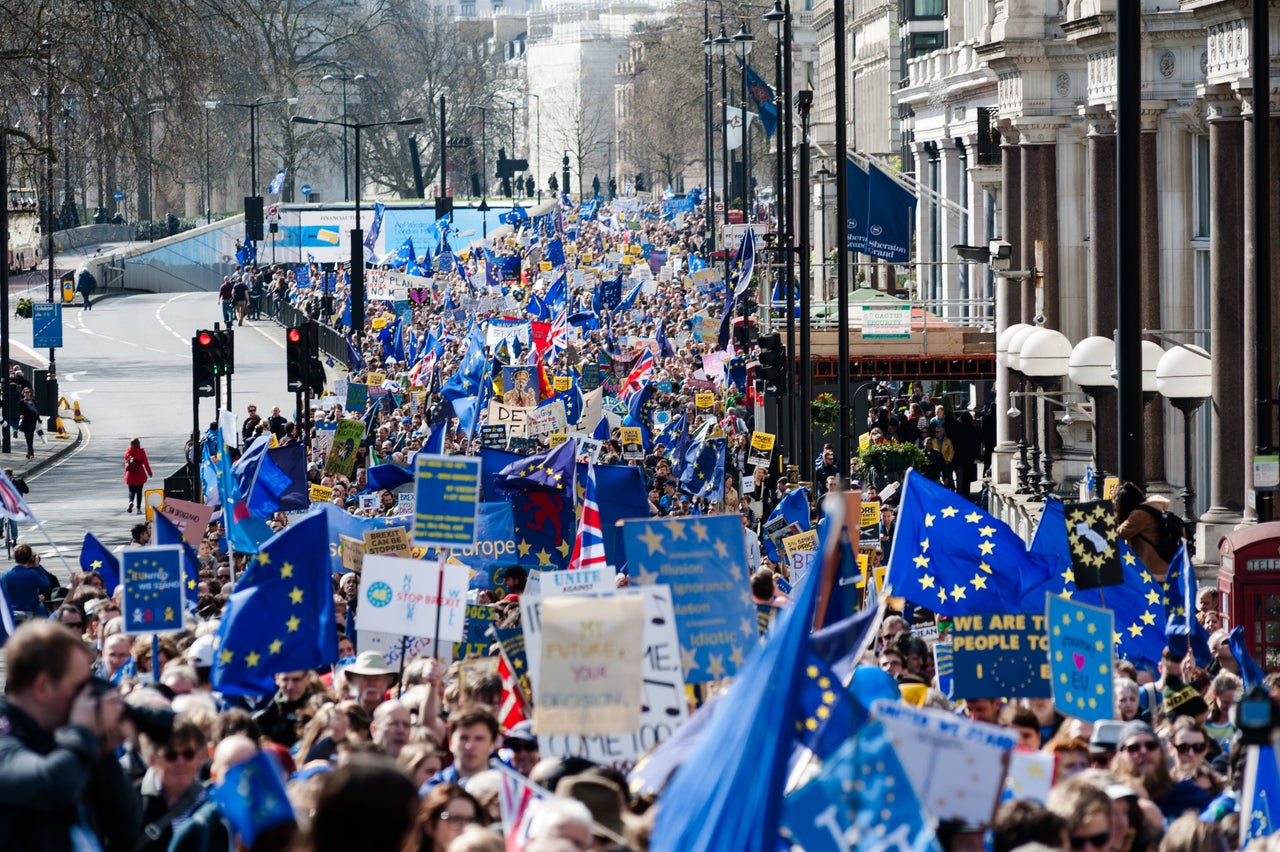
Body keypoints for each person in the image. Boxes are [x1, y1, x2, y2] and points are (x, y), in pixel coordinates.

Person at [0, 620, 142, 849]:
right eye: (80, 687)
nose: (88, 696)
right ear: (44, 686)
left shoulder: (64, 737)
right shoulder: (6, 730)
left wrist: (103, 751)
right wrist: (84, 732)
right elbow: (50, 785)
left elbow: (126, 829)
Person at [1, 543, 54, 618]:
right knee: (41, 608)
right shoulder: (33, 574)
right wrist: (38, 567)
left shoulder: (5, 576)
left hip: (11, 615)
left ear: (15, 558)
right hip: (28, 614)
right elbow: (47, 586)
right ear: (30, 558)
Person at [124, 437, 152, 513]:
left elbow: (126, 458)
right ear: (138, 443)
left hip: (130, 474)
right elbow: (146, 463)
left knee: (131, 491)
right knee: (139, 492)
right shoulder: (141, 452)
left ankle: (131, 501)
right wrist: (149, 472)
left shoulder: (128, 451)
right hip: (139, 474)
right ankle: (138, 509)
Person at [16, 386, 40, 460]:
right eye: (25, 392)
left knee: (30, 435)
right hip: (25, 420)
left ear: (30, 393)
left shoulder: (34, 401)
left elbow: (36, 411)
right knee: (27, 435)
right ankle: (30, 450)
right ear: (23, 393)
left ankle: (29, 451)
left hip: (32, 420)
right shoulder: (21, 402)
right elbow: (19, 410)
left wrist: (39, 419)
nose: (27, 393)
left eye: (28, 392)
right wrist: (21, 415)